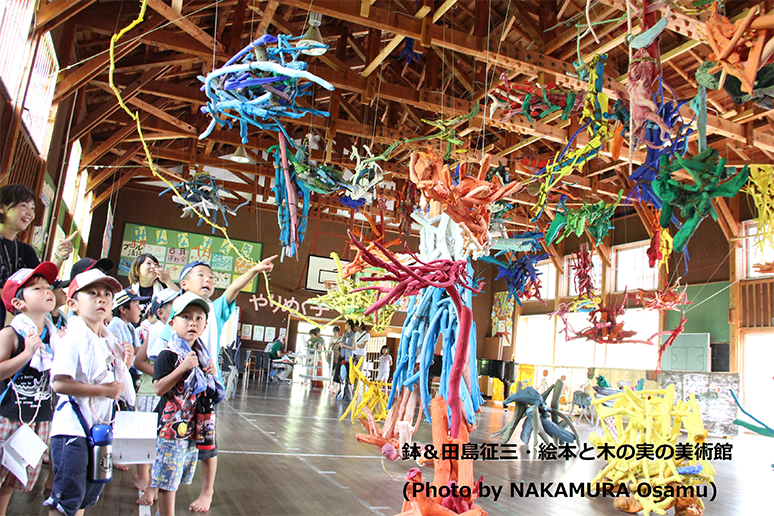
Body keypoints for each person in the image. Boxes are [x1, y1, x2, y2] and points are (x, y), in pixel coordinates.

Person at [159, 255, 276, 512]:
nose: (209, 279)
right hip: (178, 392)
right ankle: (156, 484)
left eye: (211, 277)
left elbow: (234, 289)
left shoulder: (213, 310)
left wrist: (254, 270)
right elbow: (161, 353)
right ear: (184, 284)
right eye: (201, 275)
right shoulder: (176, 312)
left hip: (206, 390)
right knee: (168, 439)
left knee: (207, 441)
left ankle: (207, 491)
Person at [44, 269, 134, 516]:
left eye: (107, 294)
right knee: (66, 500)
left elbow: (115, 381)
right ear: (73, 303)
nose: (101, 298)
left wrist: (127, 361)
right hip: (72, 430)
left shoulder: (109, 341)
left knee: (85, 497)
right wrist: (101, 391)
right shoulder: (72, 338)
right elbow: (59, 383)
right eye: (92, 293)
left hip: (98, 430)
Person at [145, 292, 223, 516]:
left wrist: (211, 375)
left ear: (205, 325)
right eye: (186, 317)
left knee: (178, 475)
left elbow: (211, 393)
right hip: (170, 429)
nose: (193, 323)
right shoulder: (168, 354)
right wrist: (181, 369)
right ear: (172, 323)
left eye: (199, 318)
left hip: (191, 427)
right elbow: (159, 388)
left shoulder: (200, 354)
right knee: (168, 478)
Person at [0, 263, 59, 515]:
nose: (48, 291)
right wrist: (26, 353)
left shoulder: (54, 336)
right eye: (37, 288)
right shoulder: (10, 334)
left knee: (16, 475)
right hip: (9, 414)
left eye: (48, 287)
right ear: (18, 302)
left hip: (39, 417)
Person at [0, 185, 75, 325]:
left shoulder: (25, 250)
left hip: (15, 324)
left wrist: (60, 256)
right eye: (24, 205)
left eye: (32, 208)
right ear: (2, 207)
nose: (30, 213)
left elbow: (43, 281)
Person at [337, 320, 356, 401]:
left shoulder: (353, 335)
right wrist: (341, 344)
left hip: (349, 357)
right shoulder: (345, 334)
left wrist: (345, 346)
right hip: (343, 355)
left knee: (348, 375)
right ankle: (340, 391)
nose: (345, 325)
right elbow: (343, 343)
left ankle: (347, 393)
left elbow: (354, 348)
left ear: (349, 325)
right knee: (340, 374)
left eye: (346, 324)